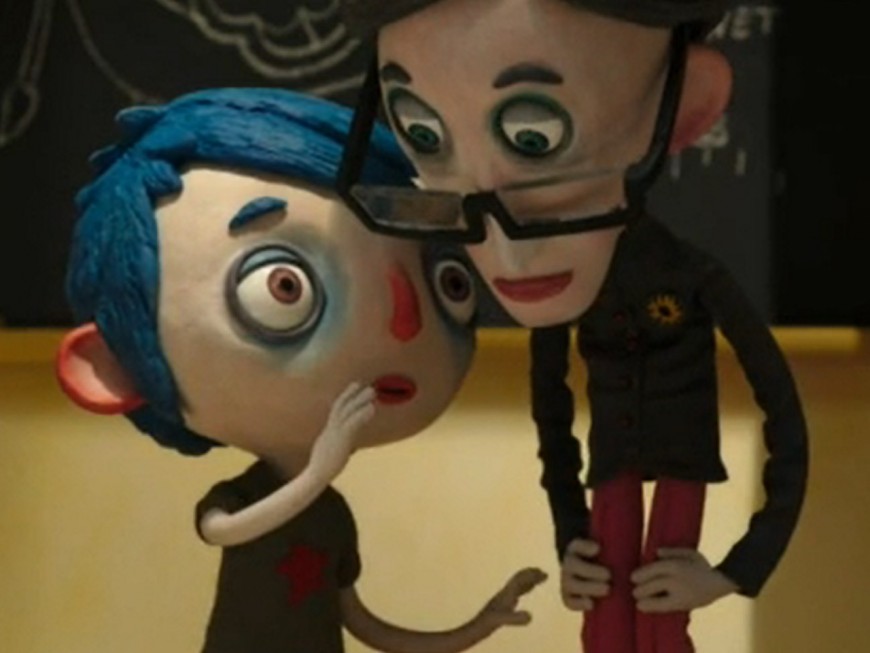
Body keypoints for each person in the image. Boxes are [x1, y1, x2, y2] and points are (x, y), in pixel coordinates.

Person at [335, 1, 809, 652]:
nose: (506, 257)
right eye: (422, 133)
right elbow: (553, 422)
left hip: (682, 463)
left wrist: (735, 570)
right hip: (610, 470)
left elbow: (783, 413)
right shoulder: (567, 288)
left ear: (681, 111)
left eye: (534, 135)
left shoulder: (691, 274)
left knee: (661, 620)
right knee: (606, 617)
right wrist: (570, 539)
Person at [55, 87, 545, 653]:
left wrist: (477, 626)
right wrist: (319, 468)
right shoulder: (244, 496)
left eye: (449, 282)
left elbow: (359, 621)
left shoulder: (330, 515)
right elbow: (223, 531)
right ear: (115, 368)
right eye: (283, 287)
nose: (402, 320)